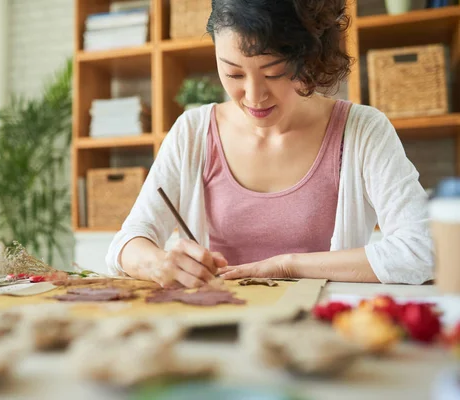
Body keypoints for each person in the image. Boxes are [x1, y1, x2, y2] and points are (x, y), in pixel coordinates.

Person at [105, 0, 433, 288]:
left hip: (321, 334)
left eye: (274, 73)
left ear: (310, 58)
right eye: (233, 74)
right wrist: (158, 263)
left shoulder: (363, 131)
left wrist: (286, 266)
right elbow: (126, 244)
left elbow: (423, 250)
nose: (254, 96)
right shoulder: (192, 133)